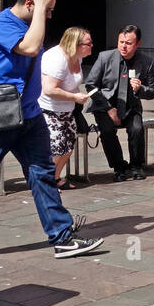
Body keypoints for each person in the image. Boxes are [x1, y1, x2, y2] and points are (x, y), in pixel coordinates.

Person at [0, 0, 101, 258]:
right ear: (30, 4)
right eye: (47, 10)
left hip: (29, 114)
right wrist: (39, 8)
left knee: (42, 174)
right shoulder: (0, 23)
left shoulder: (26, 23)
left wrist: (39, 10)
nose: (49, 16)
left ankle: (61, 237)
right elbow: (31, 47)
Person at [85, 24, 154, 181]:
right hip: (105, 105)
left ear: (138, 44)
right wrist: (109, 109)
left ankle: (136, 165)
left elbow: (152, 92)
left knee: (137, 129)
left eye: (128, 43)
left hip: (130, 106)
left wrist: (140, 89)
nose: (123, 47)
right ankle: (119, 167)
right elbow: (90, 85)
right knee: (107, 131)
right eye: (121, 42)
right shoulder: (105, 57)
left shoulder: (146, 62)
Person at [39, 26, 93, 191]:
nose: (92, 46)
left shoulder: (78, 57)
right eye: (88, 43)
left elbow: (72, 83)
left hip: (67, 109)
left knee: (68, 145)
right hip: (49, 109)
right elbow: (49, 89)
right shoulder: (56, 59)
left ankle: (55, 177)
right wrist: (75, 97)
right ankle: (47, 183)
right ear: (76, 44)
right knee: (56, 147)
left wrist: (77, 95)